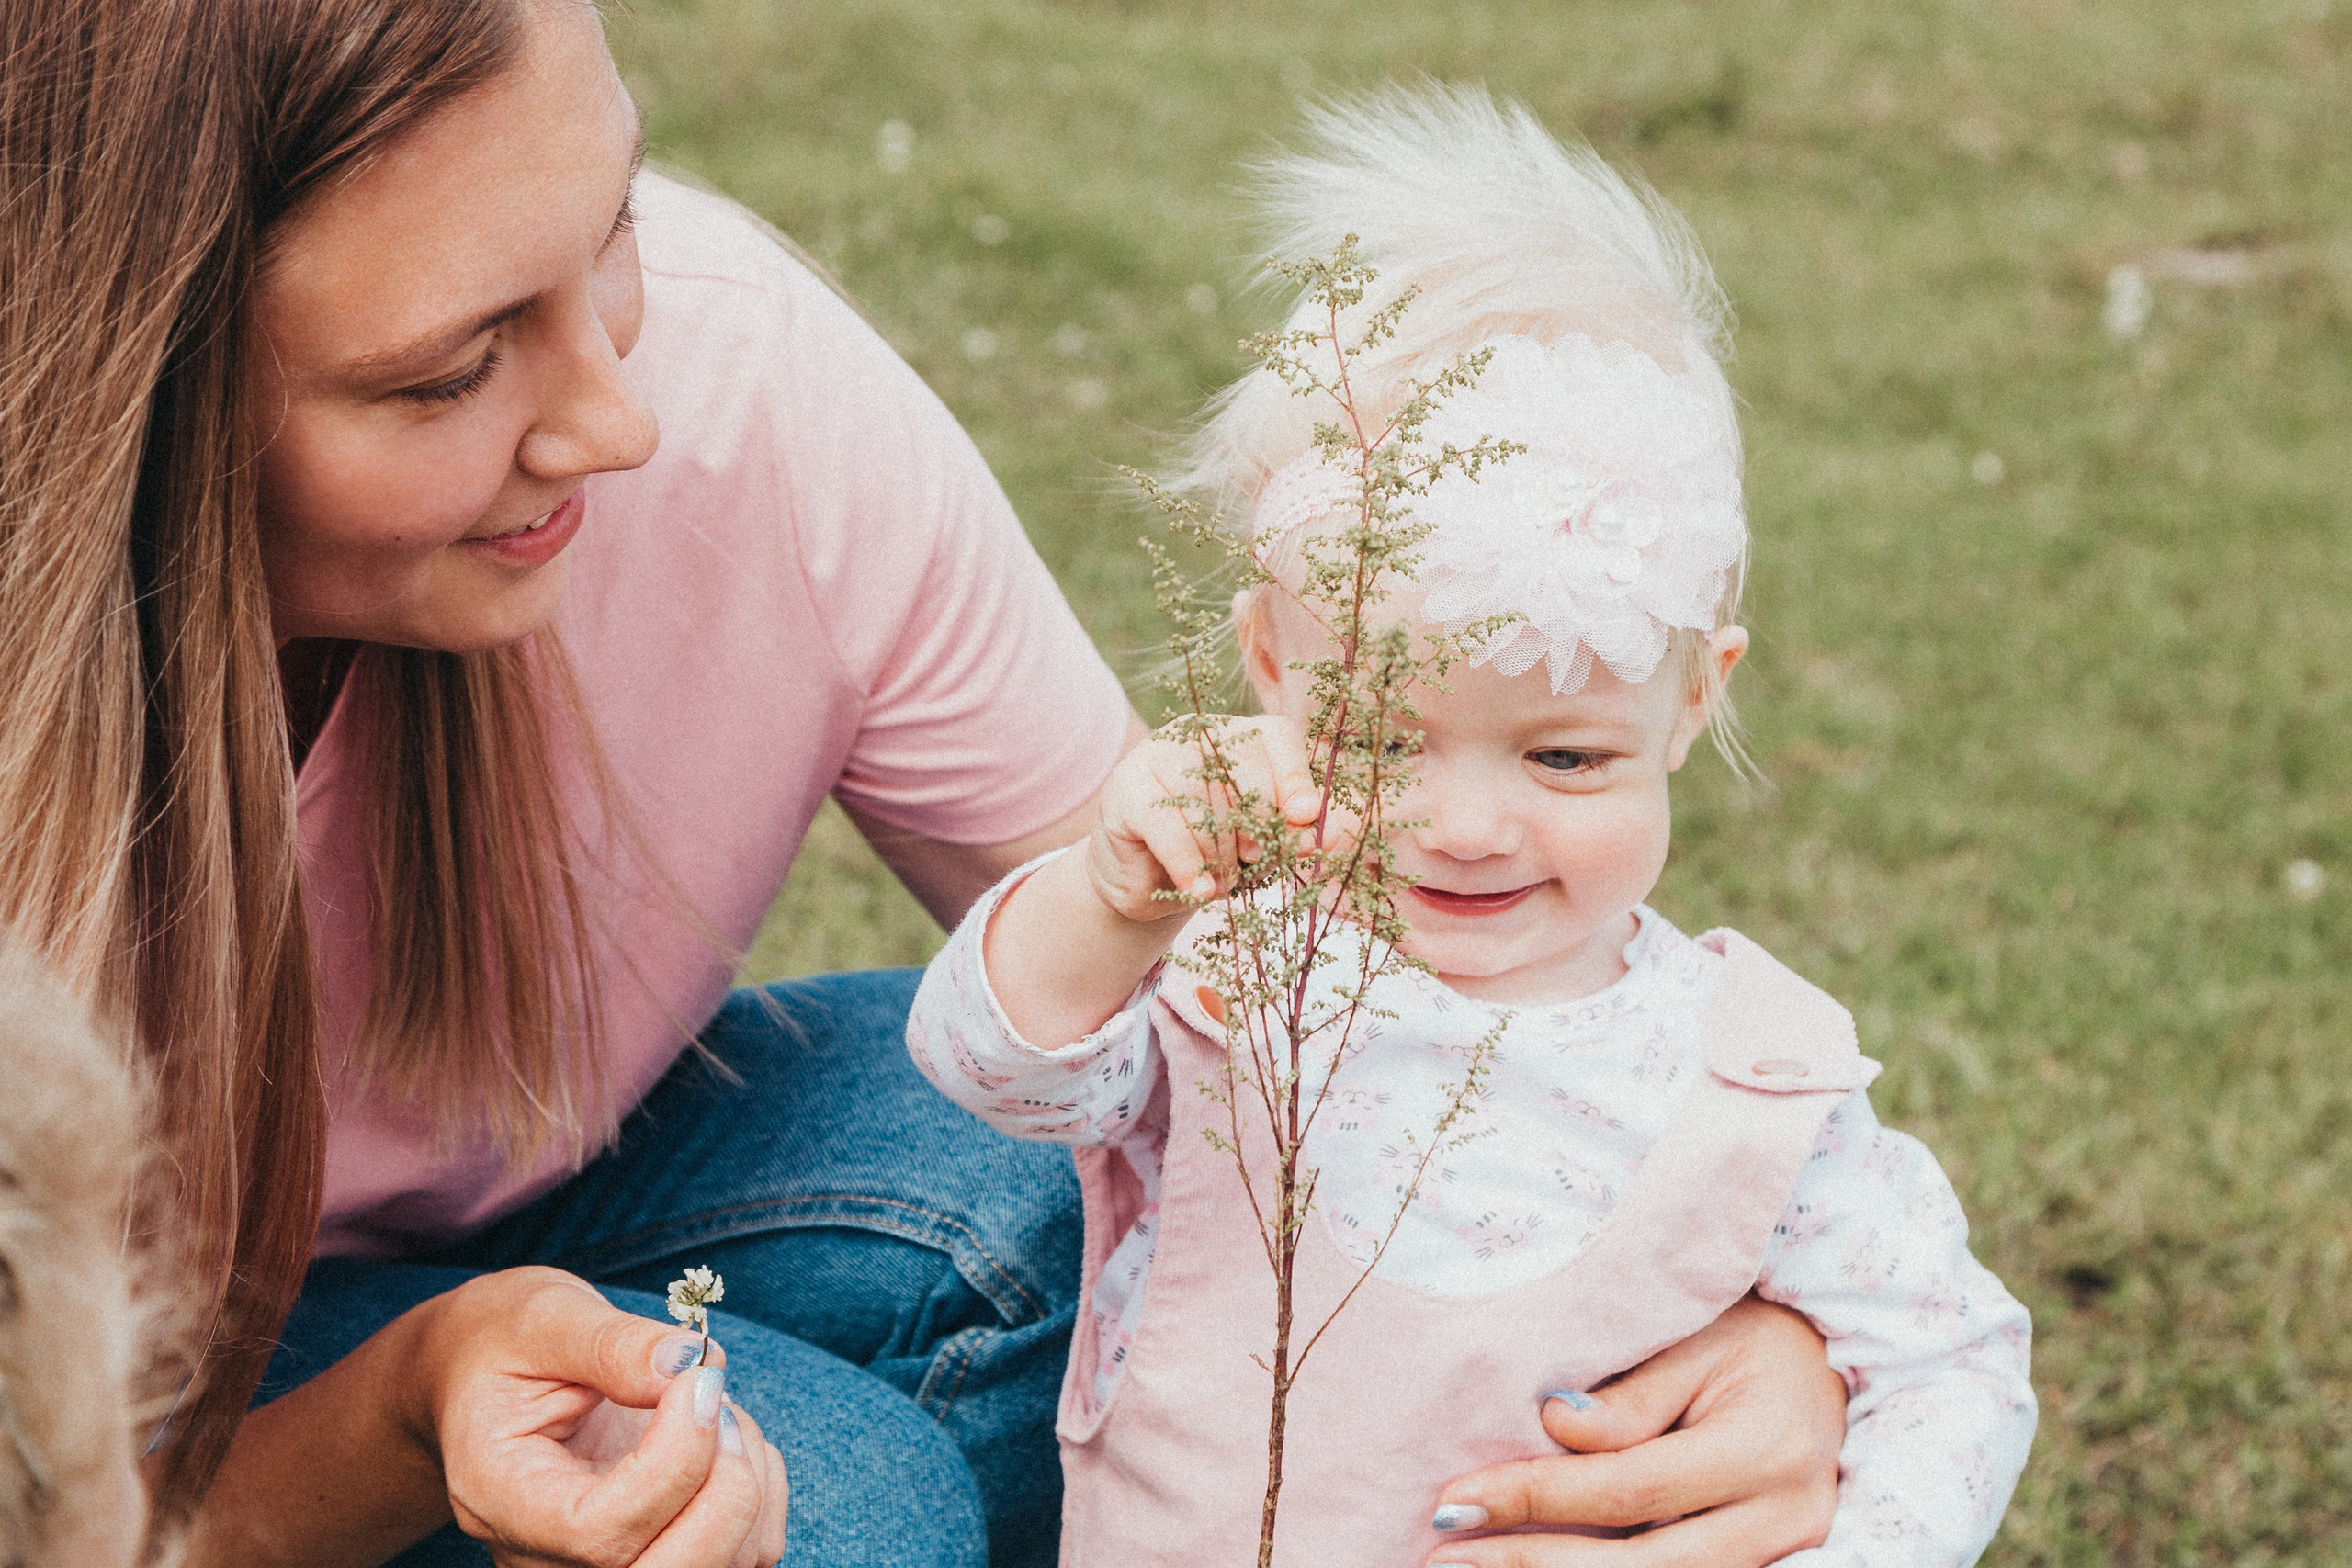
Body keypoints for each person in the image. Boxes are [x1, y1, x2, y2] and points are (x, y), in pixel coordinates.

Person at [1, 3, 1850, 1564]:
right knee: (850, 1503)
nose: (616, 420)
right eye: (451, 370)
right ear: (119, 398)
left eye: (613, 224)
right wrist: (404, 1419)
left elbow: (1247, 993)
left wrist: (1702, 1308)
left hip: (567, 1215)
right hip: (134, 1437)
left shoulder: (742, 394)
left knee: (1064, 1148)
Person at [908, 86, 2036, 1568]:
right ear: (1269, 667)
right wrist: (1115, 897)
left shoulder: (1755, 1086)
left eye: (1566, 757)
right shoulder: (1233, 981)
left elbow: (1948, 1363)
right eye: (1380, 741)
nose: (1464, 825)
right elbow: (990, 1071)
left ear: (1697, 696)